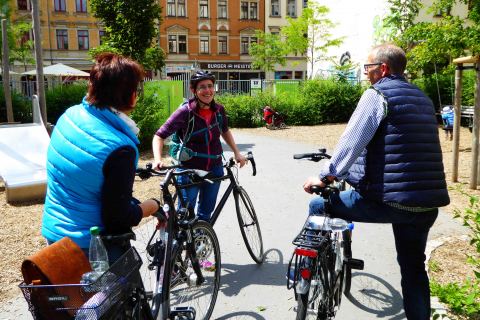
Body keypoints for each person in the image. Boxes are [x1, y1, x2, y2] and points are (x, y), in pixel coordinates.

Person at [303, 44, 450, 320]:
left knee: (318, 205)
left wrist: (325, 177)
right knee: (413, 268)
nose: (366, 74)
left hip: (388, 201)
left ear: (382, 69)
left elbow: (352, 142)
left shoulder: (377, 94)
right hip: (425, 206)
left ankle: (311, 275)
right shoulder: (423, 97)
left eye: (368, 68)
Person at [42, 53, 160, 264]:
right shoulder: (120, 147)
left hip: (54, 236)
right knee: (125, 295)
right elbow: (117, 218)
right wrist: (152, 206)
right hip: (93, 247)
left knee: (71, 298)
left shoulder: (69, 116)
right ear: (130, 95)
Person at [152, 70, 246, 222]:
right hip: (189, 169)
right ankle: (176, 244)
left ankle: (201, 243)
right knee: (184, 217)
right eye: (202, 87)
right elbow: (159, 135)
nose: (208, 90)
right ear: (193, 90)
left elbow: (225, 130)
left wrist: (237, 152)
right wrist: (157, 159)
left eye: (210, 86)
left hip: (214, 168)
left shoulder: (219, 110)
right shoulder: (185, 112)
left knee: (205, 214)